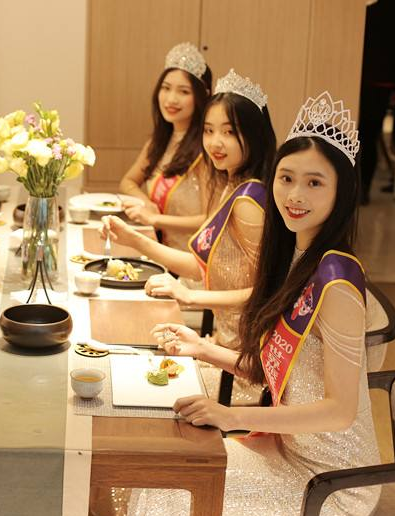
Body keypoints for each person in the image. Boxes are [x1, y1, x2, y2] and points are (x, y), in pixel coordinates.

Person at [127, 91, 380, 516]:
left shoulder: (336, 281)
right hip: (285, 449)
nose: (295, 195)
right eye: (287, 178)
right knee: (162, 474)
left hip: (329, 480)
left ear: (342, 192)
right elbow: (280, 373)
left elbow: (339, 411)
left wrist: (232, 416)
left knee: (173, 493)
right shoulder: (292, 260)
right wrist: (202, 348)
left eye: (314, 183)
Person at [102, 70, 275, 356]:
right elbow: (201, 266)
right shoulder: (230, 184)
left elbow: (265, 292)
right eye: (209, 130)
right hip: (223, 340)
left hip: (244, 353)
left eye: (229, 132)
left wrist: (191, 296)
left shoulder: (250, 199)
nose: (215, 142)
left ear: (255, 135)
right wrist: (134, 239)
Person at [118, 42, 212, 250]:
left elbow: (209, 219)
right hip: (158, 249)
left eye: (184, 91)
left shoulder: (206, 150)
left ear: (201, 96)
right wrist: (146, 203)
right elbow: (128, 182)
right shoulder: (159, 141)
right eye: (166, 88)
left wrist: (155, 219)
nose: (171, 99)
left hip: (188, 258)